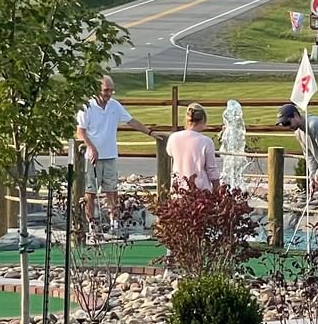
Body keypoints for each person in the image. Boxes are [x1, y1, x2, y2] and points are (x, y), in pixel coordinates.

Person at [75, 77, 159, 225]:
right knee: (90, 193)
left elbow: (131, 121)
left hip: (110, 155)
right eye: (106, 90)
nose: (109, 93)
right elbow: (80, 132)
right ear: (97, 89)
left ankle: (114, 224)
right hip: (91, 158)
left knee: (112, 191)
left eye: (111, 90)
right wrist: (90, 146)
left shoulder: (115, 106)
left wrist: (150, 133)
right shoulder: (87, 107)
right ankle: (91, 224)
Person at [276, 101, 318, 225]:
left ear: (296, 115)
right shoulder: (298, 132)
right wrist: (312, 177)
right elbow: (309, 156)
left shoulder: (314, 125)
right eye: (283, 124)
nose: (287, 126)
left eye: (287, 122)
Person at [166, 103, 221, 191]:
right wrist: (218, 189)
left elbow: (170, 153)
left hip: (179, 189)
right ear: (203, 120)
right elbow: (211, 170)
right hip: (201, 191)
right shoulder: (206, 141)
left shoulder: (173, 138)